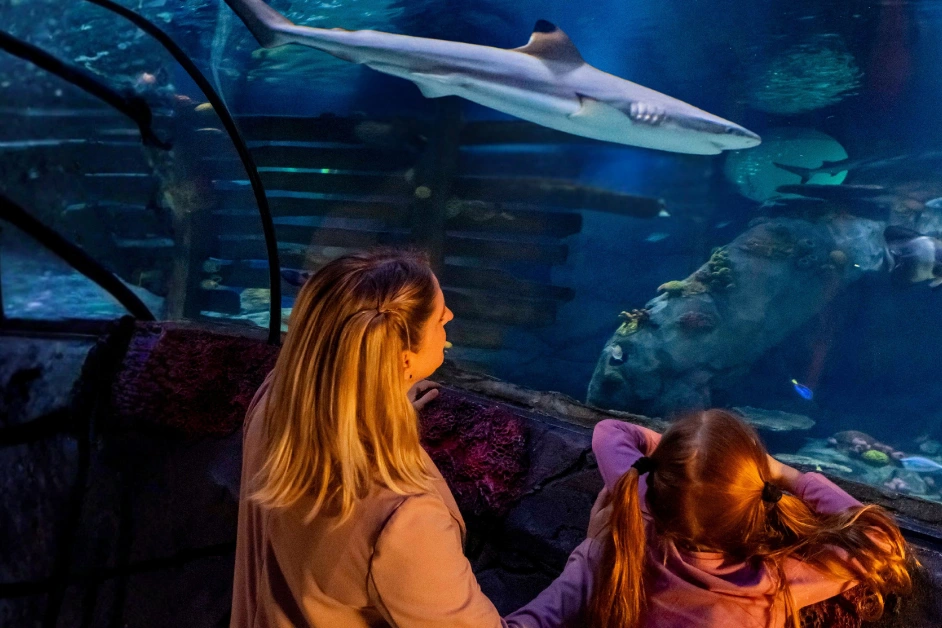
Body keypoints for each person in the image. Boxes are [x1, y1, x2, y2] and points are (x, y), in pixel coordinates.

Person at [230, 248, 599, 628]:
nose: (451, 317)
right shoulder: (404, 521)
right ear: (404, 359)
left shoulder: (276, 398)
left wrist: (388, 398)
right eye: (440, 319)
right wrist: (588, 564)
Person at [587, 410, 913, 628]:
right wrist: (790, 475)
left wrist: (688, 460)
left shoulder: (642, 502)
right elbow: (879, 539)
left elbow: (609, 430)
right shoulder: (769, 582)